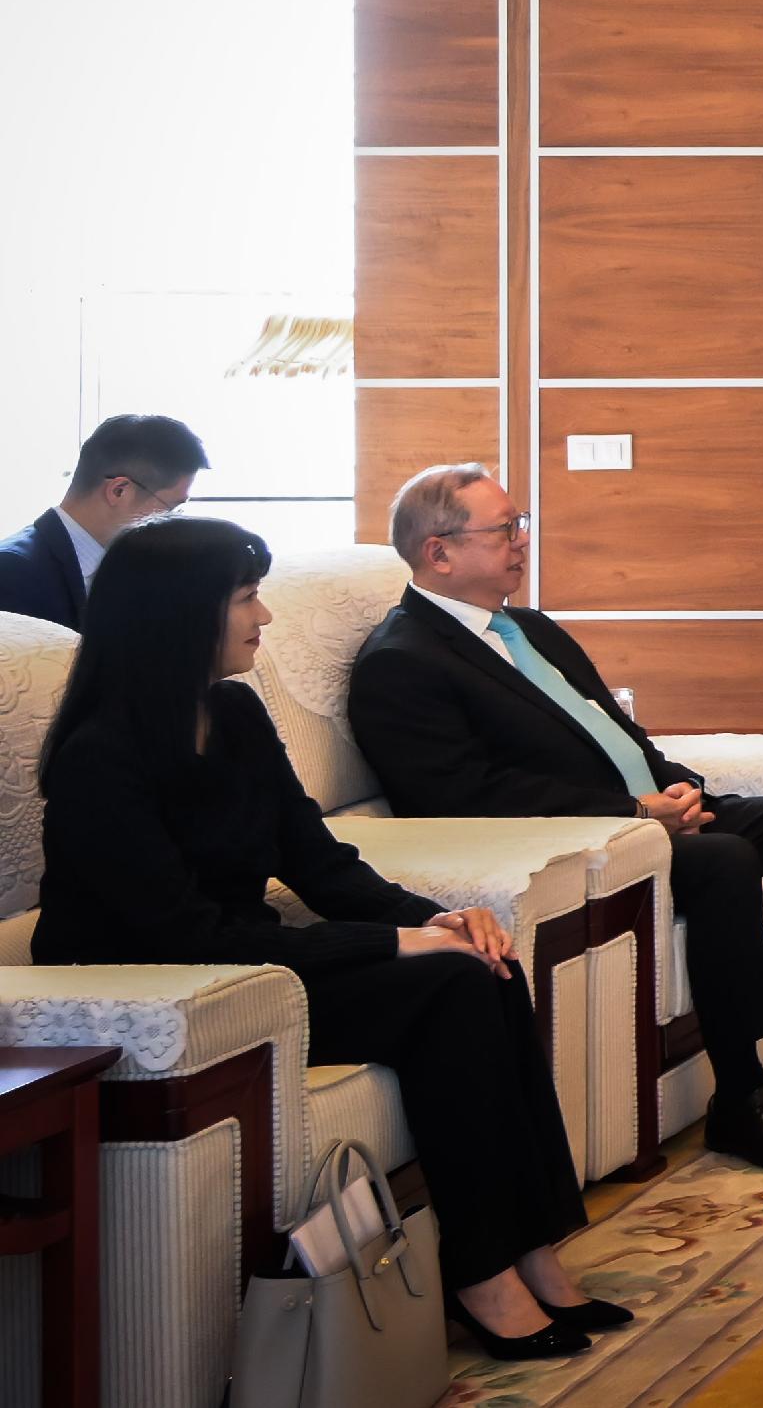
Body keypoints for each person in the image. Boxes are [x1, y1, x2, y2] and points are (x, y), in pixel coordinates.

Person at [35, 518, 619, 1359]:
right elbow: (185, 932)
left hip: (252, 964)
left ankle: (533, 1247)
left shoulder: (233, 710)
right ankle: (481, 1273)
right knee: (450, 986)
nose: (263, 617)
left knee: (484, 965)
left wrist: (431, 919)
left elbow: (320, 860)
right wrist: (388, 950)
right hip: (171, 984)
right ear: (177, 613)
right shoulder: (101, 756)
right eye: (244, 598)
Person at [344, 464, 763, 1173]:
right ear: (439, 552)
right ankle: (741, 1094)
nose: (521, 541)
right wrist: (633, 813)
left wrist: (677, 786)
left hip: (652, 811)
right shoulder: (402, 661)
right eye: (504, 529)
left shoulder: (531, 630)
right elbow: (459, 794)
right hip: (594, 838)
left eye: (521, 525)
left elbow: (618, 730)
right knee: (722, 859)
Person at [0, 413, 206, 628]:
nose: (173, 521)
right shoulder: (13, 573)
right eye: (171, 508)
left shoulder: (129, 566)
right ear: (119, 491)